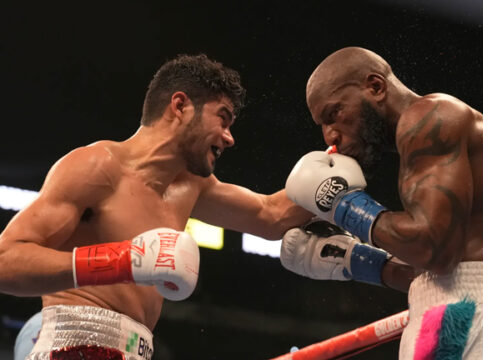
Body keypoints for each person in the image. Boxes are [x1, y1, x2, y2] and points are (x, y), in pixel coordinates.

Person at [0, 53, 319, 360]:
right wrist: (123, 260)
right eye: (223, 119)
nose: (229, 137)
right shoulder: (98, 167)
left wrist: (342, 156)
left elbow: (271, 215)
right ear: (180, 105)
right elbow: (6, 261)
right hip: (74, 346)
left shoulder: (191, 186)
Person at [281, 46, 483, 359]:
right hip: (460, 319)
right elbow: (451, 272)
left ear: (375, 87)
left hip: (477, 322)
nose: (329, 135)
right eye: (321, 123)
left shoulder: (433, 116)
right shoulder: (420, 140)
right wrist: (355, 260)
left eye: (334, 113)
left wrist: (343, 205)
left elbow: (434, 249)